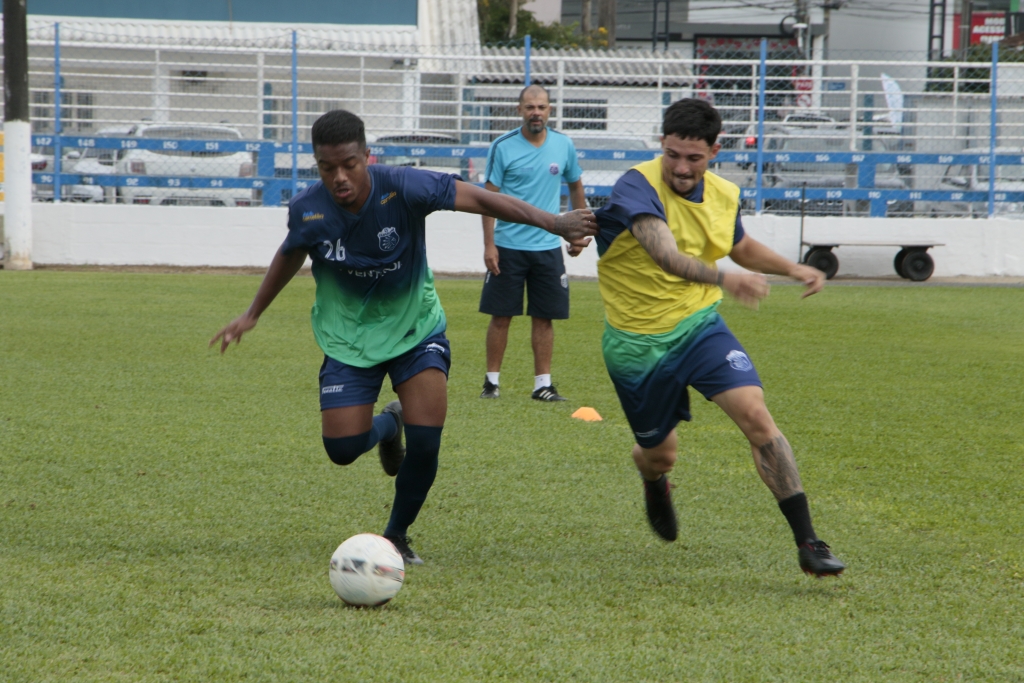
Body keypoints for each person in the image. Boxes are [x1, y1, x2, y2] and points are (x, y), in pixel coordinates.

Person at [210, 110, 596, 565]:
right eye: (326, 167)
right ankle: (389, 425)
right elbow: (292, 251)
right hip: (348, 340)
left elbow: (484, 200)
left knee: (428, 440)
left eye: (349, 164)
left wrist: (554, 223)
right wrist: (252, 313)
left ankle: (396, 536)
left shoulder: (406, 186)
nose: (339, 177)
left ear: (366, 156)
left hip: (416, 329)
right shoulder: (308, 208)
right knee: (342, 449)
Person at [593, 98, 845, 577]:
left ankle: (809, 542)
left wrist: (792, 267)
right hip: (637, 343)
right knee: (659, 453)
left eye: (694, 158)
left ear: (715, 150)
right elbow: (664, 253)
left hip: (700, 326)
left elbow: (739, 244)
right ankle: (654, 480)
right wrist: (727, 279)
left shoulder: (724, 193)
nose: (681, 167)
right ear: (661, 145)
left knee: (756, 416)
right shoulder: (636, 185)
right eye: (672, 154)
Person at [478, 84, 588, 402]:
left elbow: (576, 188)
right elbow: (487, 200)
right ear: (519, 111)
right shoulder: (503, 147)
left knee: (545, 316)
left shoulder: (564, 146)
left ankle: (542, 385)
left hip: (547, 247)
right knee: (501, 315)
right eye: (529, 107)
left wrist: (579, 233)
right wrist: (489, 245)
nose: (535, 113)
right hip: (508, 246)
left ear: (550, 110)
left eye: (541, 107)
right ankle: (491, 383)